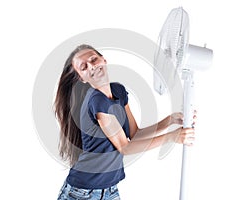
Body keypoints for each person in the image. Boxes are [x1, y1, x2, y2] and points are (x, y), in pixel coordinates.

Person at [54, 44, 196, 200]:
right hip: (82, 193)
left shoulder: (118, 91)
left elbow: (135, 134)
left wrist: (170, 120)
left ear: (104, 60)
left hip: (109, 190)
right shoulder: (96, 101)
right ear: (82, 78)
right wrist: (171, 137)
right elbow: (125, 147)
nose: (91, 66)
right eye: (83, 67)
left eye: (93, 59)